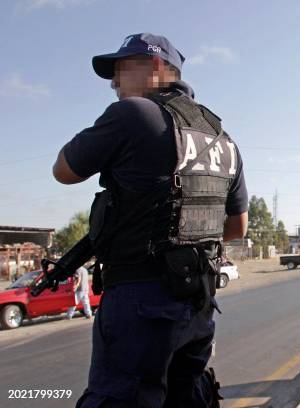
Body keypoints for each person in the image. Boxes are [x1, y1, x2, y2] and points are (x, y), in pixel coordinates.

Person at [52, 33, 248, 407]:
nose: (113, 83)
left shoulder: (133, 113)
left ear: (156, 67)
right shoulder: (223, 137)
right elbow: (236, 227)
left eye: (122, 70)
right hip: (198, 303)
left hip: (140, 299)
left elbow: (63, 170)